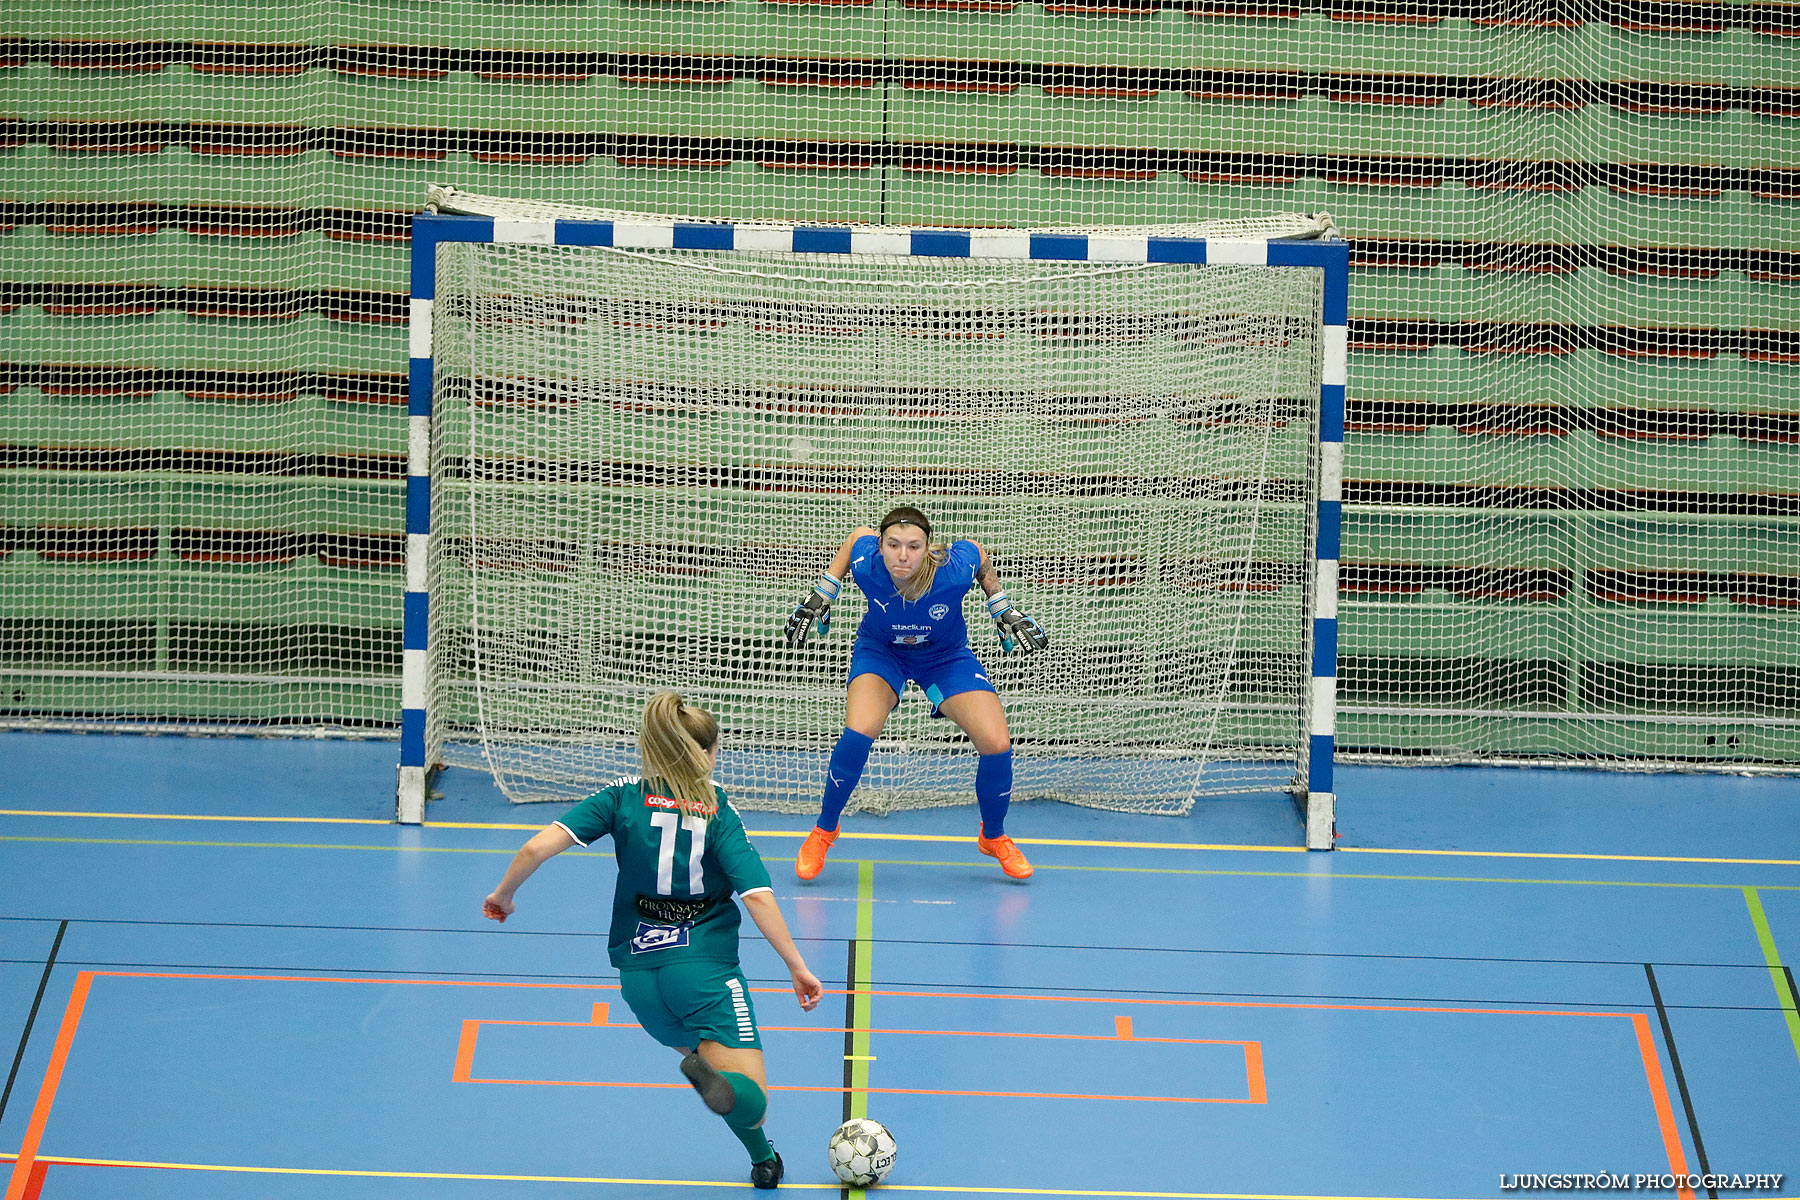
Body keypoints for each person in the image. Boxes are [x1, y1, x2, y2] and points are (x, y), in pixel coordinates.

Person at [482, 692, 823, 1190]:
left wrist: (503, 896)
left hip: (639, 980)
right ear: (704, 753)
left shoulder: (621, 796)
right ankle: (728, 1095)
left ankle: (764, 1160)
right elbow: (757, 895)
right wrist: (796, 964)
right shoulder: (717, 811)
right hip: (703, 973)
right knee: (750, 1095)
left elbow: (537, 846)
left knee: (714, 1067)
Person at [783, 505, 1048, 882]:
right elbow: (854, 538)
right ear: (881, 545)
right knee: (859, 732)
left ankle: (993, 836)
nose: (902, 555)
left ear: (928, 548)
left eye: (913, 546)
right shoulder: (866, 559)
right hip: (882, 652)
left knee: (996, 741)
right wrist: (823, 592)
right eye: (893, 545)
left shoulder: (953, 570)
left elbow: (976, 551)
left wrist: (999, 604)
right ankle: (824, 830)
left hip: (944, 657)